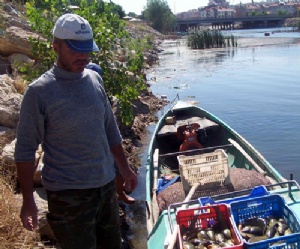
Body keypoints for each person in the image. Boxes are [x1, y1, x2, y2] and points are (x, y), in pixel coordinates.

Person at [14, 13, 138, 249]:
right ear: (56, 47)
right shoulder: (39, 92)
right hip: (68, 197)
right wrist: (28, 200)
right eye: (74, 50)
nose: (83, 56)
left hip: (105, 186)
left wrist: (125, 168)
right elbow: (25, 150)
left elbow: (110, 130)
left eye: (86, 49)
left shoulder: (94, 78)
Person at [86, 62, 136, 204]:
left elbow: (108, 122)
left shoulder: (100, 92)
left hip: (106, 139)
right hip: (93, 144)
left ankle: (120, 194)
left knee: (117, 168)